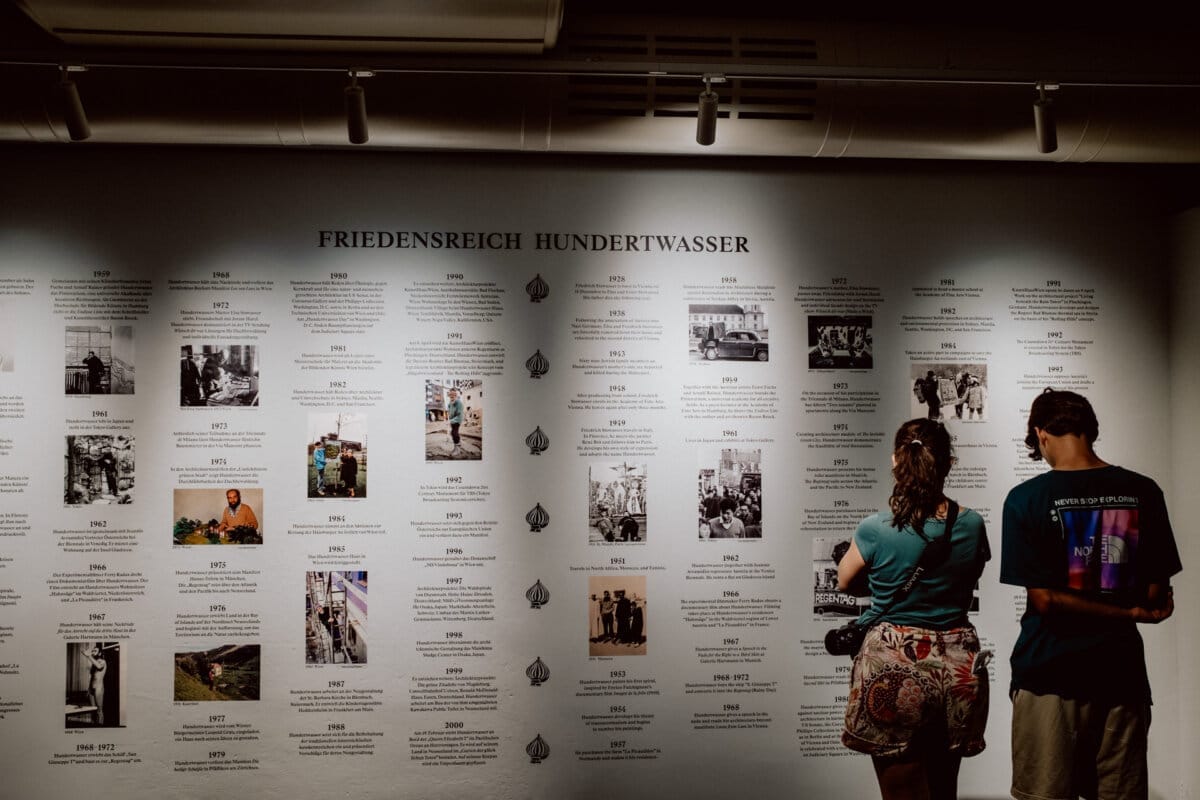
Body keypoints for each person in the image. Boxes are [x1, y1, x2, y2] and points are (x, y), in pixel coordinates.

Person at [1000, 388, 1180, 800]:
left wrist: (1119, 608)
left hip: (1048, 673)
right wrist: (1130, 610)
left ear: (1040, 434)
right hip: (1121, 674)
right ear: (1090, 430)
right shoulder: (1144, 491)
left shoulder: (1025, 500)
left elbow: (1044, 601)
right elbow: (1155, 595)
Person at [836, 418, 990, 800]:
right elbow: (969, 577)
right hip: (956, 664)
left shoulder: (875, 527)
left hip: (893, 660)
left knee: (902, 792)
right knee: (943, 790)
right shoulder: (971, 524)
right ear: (948, 463)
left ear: (895, 462)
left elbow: (845, 581)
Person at [82, 643, 107, 725]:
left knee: (99, 711)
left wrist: (88, 656)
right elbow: (92, 677)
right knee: (92, 710)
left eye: (95, 651)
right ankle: (93, 728)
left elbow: (99, 667)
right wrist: (89, 689)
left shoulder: (102, 661)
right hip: (92, 689)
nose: (93, 652)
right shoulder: (94, 663)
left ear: (99, 653)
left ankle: (100, 730)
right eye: (92, 651)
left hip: (98, 688)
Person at [446, 387, 464, 458]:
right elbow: (449, 411)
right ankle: (455, 447)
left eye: (453, 396)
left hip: (457, 420)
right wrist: (449, 419)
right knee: (452, 433)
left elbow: (460, 416)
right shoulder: (450, 403)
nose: (452, 397)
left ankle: (458, 449)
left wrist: (451, 421)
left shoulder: (459, 403)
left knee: (454, 432)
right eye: (450, 396)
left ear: (456, 395)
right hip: (452, 420)